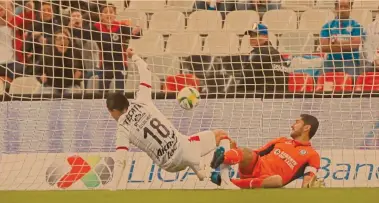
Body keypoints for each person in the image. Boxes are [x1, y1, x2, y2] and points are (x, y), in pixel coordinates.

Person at [108, 48, 230, 190]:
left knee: (188, 146)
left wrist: (113, 186)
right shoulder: (142, 100)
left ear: (115, 111)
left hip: (168, 165)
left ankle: (200, 171)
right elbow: (146, 71)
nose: (111, 115)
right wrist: (133, 56)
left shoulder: (122, 128)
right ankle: (222, 179)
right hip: (184, 148)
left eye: (110, 112)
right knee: (222, 135)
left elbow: (120, 161)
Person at [210, 114, 325, 189]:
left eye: (297, 122)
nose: (292, 125)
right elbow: (257, 152)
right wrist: (236, 151)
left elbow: (308, 178)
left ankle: (227, 181)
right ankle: (221, 158)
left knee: (277, 180)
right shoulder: (282, 140)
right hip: (255, 166)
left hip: (268, 179)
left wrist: (310, 185)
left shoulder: (312, 155)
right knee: (246, 152)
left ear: (306, 128)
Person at [239, 23, 289, 93]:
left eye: (256, 35)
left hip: (262, 95)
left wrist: (237, 90)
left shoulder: (259, 52)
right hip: (281, 96)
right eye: (251, 35)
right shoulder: (276, 53)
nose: (252, 38)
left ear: (265, 37)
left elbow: (246, 77)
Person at [320, 0, 364, 78]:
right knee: (321, 80)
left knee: (351, 81)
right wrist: (347, 43)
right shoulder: (327, 26)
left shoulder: (357, 26)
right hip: (331, 62)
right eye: (340, 6)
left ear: (350, 8)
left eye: (346, 7)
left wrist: (334, 43)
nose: (343, 9)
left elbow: (354, 46)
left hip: (350, 61)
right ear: (336, 8)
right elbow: (324, 47)